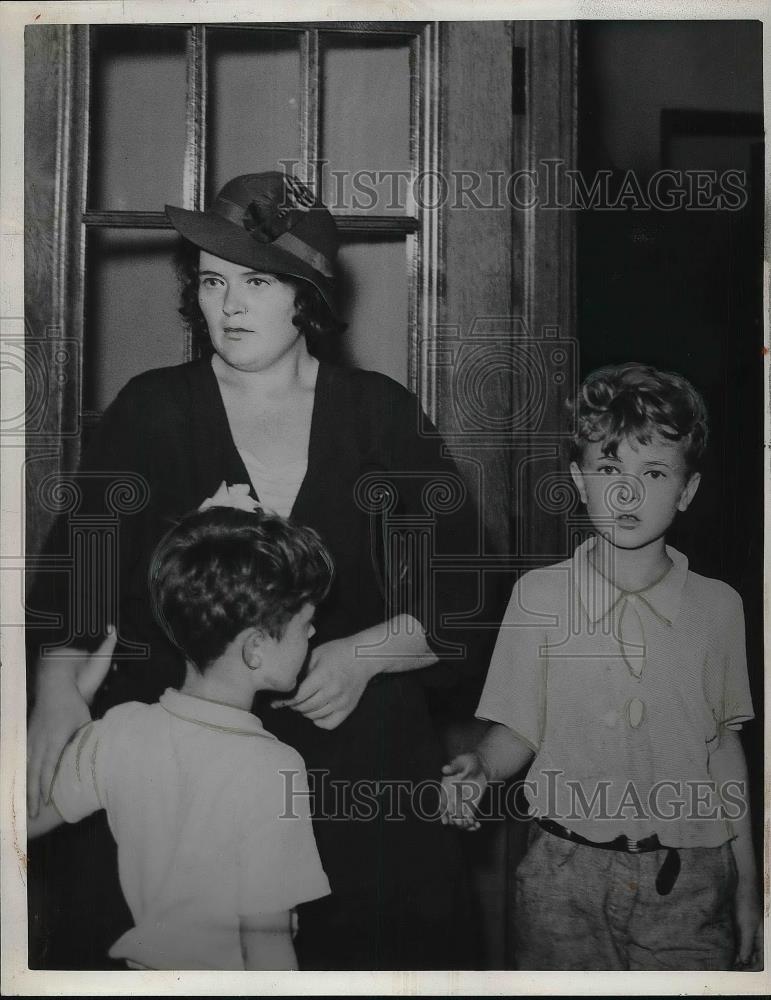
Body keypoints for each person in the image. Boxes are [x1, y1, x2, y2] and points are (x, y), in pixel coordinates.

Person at [27, 170, 490, 970]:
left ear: (305, 295)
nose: (229, 305)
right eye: (211, 281)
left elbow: (467, 595)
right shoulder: (150, 410)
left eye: (257, 281)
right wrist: (55, 696)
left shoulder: (379, 413)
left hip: (357, 770)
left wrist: (362, 652)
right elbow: (76, 583)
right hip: (180, 764)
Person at [441, 363, 762, 971]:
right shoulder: (538, 595)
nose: (627, 492)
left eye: (655, 472)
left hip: (689, 881)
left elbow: (723, 747)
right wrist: (481, 767)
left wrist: (749, 885)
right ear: (577, 481)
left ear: (688, 490)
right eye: (609, 469)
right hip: (561, 879)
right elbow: (519, 729)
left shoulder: (720, 607)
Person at [28, 505, 333, 970]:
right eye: (304, 624)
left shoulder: (119, 729)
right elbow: (267, 944)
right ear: (255, 648)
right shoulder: (275, 768)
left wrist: (78, 697)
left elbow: (18, 819)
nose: (313, 631)